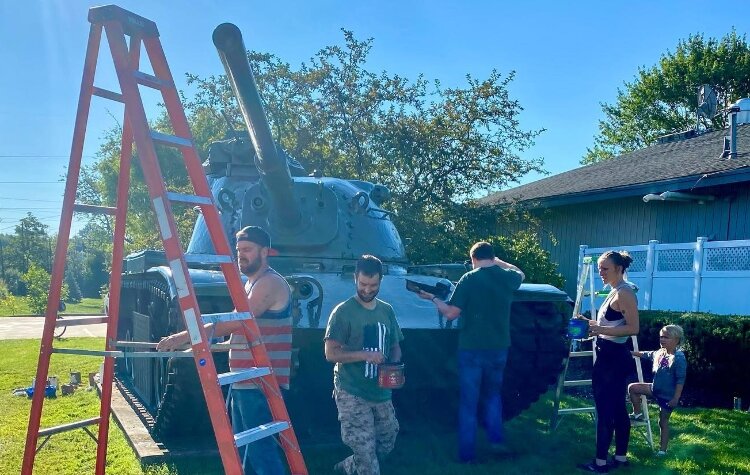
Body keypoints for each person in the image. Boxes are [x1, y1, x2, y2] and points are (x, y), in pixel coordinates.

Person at [157, 225, 291, 475]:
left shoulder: (269, 282)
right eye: (239, 249)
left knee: (260, 452)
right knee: (247, 453)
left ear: (265, 252)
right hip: (245, 380)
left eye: (248, 249)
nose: (241, 255)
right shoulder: (252, 283)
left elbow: (237, 322)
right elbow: (243, 330)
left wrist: (185, 336)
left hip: (261, 383)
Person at [417, 241, 524, 464]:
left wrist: (433, 298)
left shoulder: (469, 279)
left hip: (472, 350)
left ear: (473, 259)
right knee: (493, 396)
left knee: (469, 401)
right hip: (499, 347)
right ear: (492, 257)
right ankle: (496, 443)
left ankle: (467, 454)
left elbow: (451, 314)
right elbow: (519, 272)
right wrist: (499, 262)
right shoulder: (507, 277)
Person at [324, 254, 404, 475]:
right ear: (355, 279)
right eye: (363, 284)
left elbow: (395, 344)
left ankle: (347, 467)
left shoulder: (386, 310)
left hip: (381, 391)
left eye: (373, 285)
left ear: (381, 281)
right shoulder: (343, 312)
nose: (368, 290)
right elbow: (331, 353)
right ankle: (363, 464)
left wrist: (394, 364)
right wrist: (364, 355)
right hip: (351, 390)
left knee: (387, 441)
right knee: (367, 459)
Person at [577, 250, 640, 473]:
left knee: (606, 410)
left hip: (612, 359)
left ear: (619, 269)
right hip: (610, 356)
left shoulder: (624, 293)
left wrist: (599, 329)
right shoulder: (615, 292)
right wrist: (589, 323)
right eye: (599, 269)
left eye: (605, 269)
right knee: (617, 409)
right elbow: (612, 325)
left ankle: (600, 463)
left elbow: (633, 328)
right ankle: (620, 458)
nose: (601, 273)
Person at [629, 324, 687, 457]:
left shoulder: (679, 358)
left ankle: (662, 450)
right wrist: (631, 353)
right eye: (661, 337)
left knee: (662, 422)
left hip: (668, 397)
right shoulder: (660, 353)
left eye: (666, 337)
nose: (662, 340)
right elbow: (646, 354)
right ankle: (637, 413)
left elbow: (680, 380)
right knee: (632, 388)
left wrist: (675, 398)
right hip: (654, 389)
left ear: (676, 340)